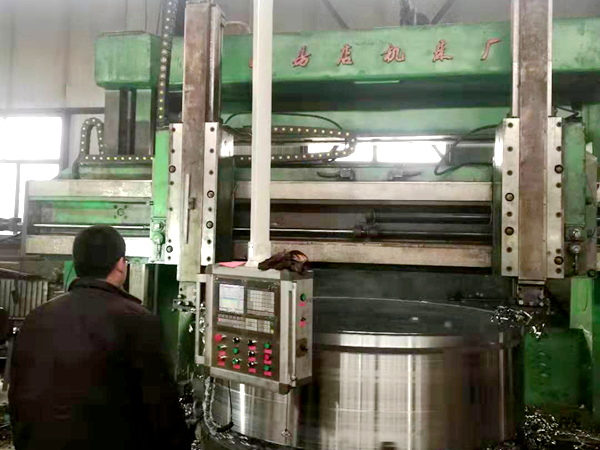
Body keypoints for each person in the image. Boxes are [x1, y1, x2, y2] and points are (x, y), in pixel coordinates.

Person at [9, 225, 193, 450]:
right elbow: (161, 407)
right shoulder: (138, 320)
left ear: (77, 264)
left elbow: (17, 396)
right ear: (121, 264)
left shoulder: (36, 317)